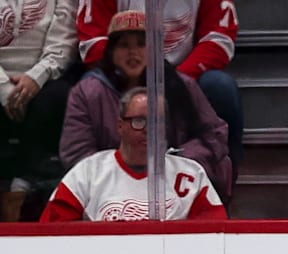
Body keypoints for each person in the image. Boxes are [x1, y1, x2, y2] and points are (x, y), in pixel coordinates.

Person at [61, 10, 232, 199]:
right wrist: (122, 173)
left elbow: (214, 135)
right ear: (111, 52)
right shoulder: (87, 92)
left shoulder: (181, 85)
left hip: (175, 184)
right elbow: (76, 151)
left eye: (142, 45)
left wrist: (178, 163)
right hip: (109, 190)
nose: (133, 53)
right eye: (124, 45)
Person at [76, 0, 243, 169]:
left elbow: (218, 38)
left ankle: (222, 176)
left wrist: (175, 78)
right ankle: (98, 177)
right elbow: (94, 42)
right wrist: (135, 75)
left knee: (221, 87)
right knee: (90, 85)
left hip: (185, 75)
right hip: (124, 71)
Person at [41, 87, 226, 221]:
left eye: (157, 122)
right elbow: (53, 233)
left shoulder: (191, 175)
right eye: (139, 121)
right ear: (120, 126)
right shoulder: (88, 173)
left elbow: (214, 235)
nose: (149, 130)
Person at [0, 0, 78, 221]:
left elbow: (64, 40)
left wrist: (37, 76)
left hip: (43, 78)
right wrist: (4, 88)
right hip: (2, 78)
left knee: (60, 97)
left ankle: (24, 186)